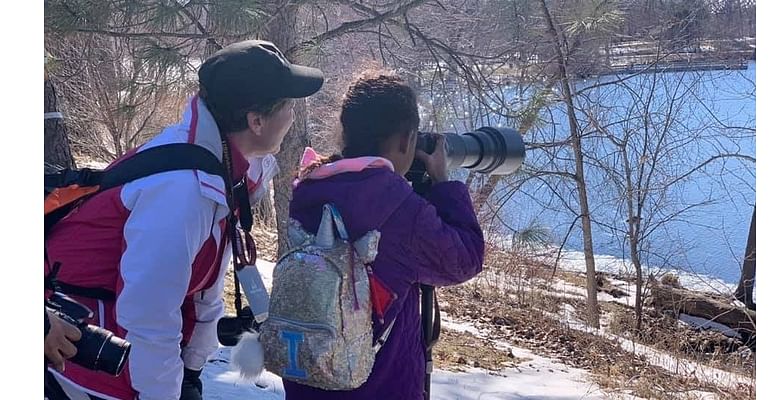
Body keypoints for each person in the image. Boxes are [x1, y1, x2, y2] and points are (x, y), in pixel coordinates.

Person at [43, 40, 323, 400]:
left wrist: (191, 368)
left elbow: (201, 289)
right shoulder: (183, 191)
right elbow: (148, 316)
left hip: (127, 357)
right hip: (91, 361)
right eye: (288, 105)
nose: (294, 116)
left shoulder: (220, 164)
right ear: (256, 121)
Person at [284, 70, 485, 399]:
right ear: (407, 140)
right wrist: (444, 184)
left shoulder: (309, 187)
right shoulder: (397, 207)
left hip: (311, 380)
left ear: (346, 131)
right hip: (378, 388)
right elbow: (465, 259)